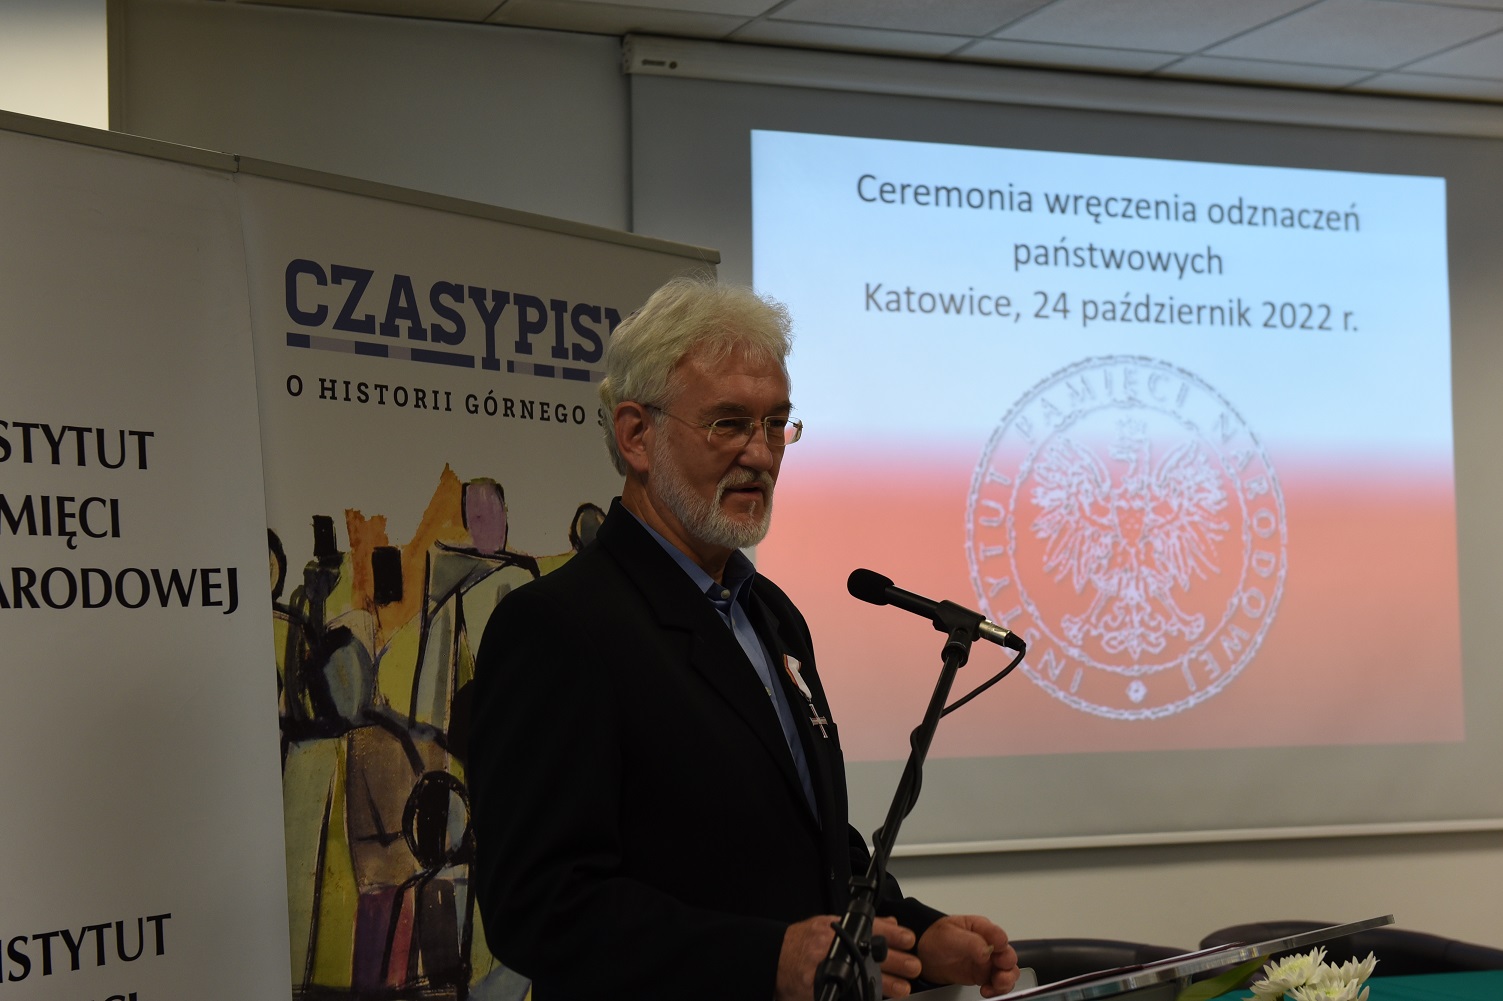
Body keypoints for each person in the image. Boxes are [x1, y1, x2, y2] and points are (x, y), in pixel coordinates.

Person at [469, 276, 1021, 1001]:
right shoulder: (559, 627)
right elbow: (538, 906)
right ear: (636, 436)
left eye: (776, 424)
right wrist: (766, 959)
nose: (760, 455)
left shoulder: (772, 615)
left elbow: (812, 846)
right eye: (728, 424)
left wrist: (915, 935)